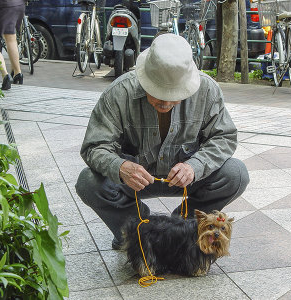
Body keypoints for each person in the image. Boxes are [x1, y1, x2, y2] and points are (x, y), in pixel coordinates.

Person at [75, 34, 250, 250]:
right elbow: (94, 146)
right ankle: (135, 232)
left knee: (236, 174)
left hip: (185, 180)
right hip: (133, 182)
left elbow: (224, 137)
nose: (166, 102)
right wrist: (120, 167)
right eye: (157, 92)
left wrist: (194, 166)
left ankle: (181, 227)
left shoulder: (207, 90)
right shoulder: (119, 93)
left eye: (175, 94)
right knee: (88, 182)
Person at [0, 0, 25, 85]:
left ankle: (17, 73)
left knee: (9, 38)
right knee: (13, 38)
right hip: (20, 4)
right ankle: (15, 70)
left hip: (7, 5)